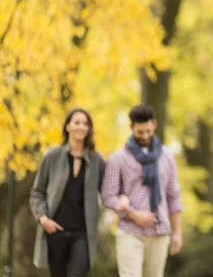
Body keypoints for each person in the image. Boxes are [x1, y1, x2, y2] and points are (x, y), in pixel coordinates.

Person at [101, 104, 183, 277]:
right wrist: (133, 214)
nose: (145, 136)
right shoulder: (118, 158)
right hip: (130, 232)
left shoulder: (167, 156)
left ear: (154, 124)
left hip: (160, 232)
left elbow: (173, 196)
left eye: (148, 131)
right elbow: (108, 196)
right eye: (140, 132)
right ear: (131, 128)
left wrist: (177, 232)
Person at [30, 109, 107, 277]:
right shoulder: (52, 156)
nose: (81, 127)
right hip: (55, 231)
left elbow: (109, 191)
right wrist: (43, 219)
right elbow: (37, 192)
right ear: (67, 127)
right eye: (77, 122)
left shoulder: (97, 160)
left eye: (85, 123)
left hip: (83, 234)